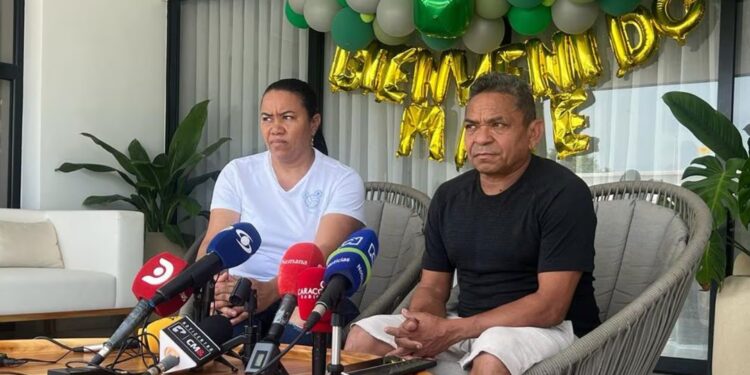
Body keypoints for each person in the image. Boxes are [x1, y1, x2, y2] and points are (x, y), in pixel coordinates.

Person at [345, 72, 600, 375]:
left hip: (549, 330)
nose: (481, 138)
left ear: (533, 133)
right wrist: (421, 323)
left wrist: (455, 330)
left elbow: (550, 306)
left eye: (498, 125)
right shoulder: (450, 196)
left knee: (492, 352)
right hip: (467, 324)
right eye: (471, 126)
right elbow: (433, 286)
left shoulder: (562, 193)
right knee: (364, 336)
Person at [195, 78, 365, 337]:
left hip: (304, 295)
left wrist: (271, 290)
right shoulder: (238, 172)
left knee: (289, 344)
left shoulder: (342, 179)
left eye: (287, 117)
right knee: (206, 344)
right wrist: (216, 289)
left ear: (314, 123)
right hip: (240, 294)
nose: (275, 128)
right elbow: (213, 241)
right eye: (266, 118)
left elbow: (321, 252)